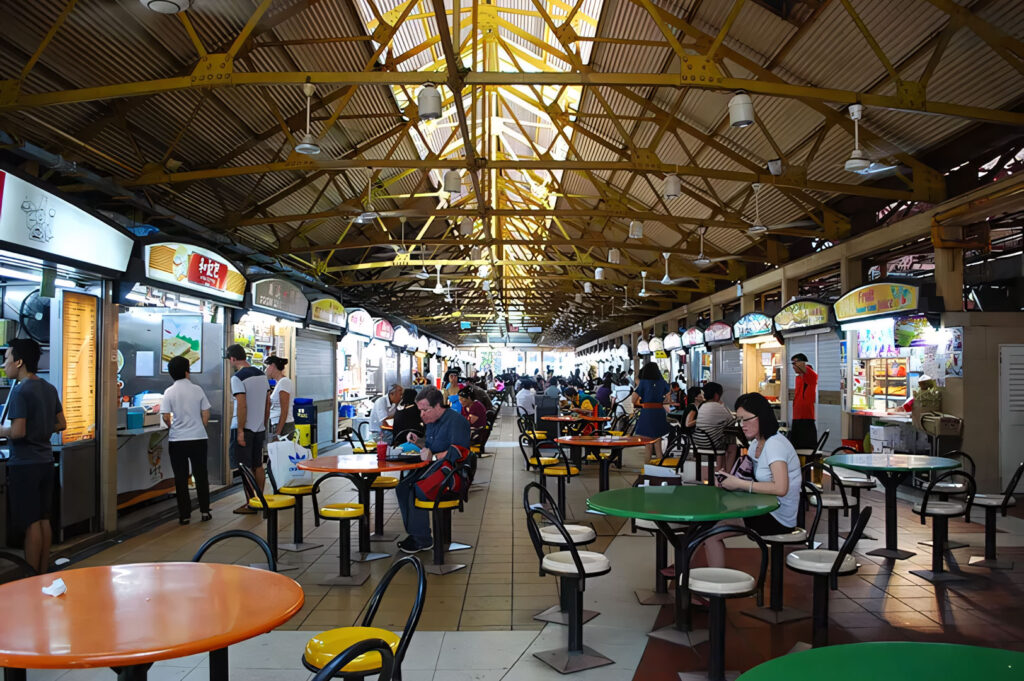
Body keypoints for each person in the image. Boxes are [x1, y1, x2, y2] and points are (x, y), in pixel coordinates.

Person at [705, 392, 802, 567]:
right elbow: (747, 476)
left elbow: (781, 488)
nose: (742, 425)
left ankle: (715, 588)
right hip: (763, 507)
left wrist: (740, 484)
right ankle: (686, 565)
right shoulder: (756, 444)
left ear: (761, 417)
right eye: (739, 420)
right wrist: (730, 480)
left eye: (746, 419)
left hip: (778, 517)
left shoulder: (775, 445)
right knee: (706, 524)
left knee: (711, 533)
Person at [0, 339, 65, 573]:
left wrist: (1, 430)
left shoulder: (20, 391)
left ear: (19, 362)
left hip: (25, 464)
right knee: (44, 518)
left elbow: (18, 431)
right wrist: (43, 428)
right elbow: (61, 423)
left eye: (6, 359)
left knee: (30, 523)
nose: (5, 364)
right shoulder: (48, 388)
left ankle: (30, 575)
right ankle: (42, 571)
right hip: (46, 462)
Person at [396, 386, 471, 553]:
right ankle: (417, 535)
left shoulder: (456, 422)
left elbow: (458, 452)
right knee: (402, 487)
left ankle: (422, 538)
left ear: (438, 406)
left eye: (425, 410)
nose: (422, 415)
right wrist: (419, 442)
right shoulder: (432, 421)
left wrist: (434, 457)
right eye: (420, 410)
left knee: (417, 488)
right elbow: (431, 446)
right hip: (434, 469)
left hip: (452, 474)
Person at [161, 355, 212, 525]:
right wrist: (201, 426)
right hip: (198, 438)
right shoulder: (197, 389)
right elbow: (206, 411)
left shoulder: (169, 392)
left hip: (177, 440)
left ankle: (185, 515)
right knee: (201, 474)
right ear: (187, 371)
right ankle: (205, 511)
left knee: (180, 477)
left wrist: (173, 427)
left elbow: (166, 416)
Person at [225, 343, 270, 514]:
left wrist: (241, 431)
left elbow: (241, 404)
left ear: (233, 359)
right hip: (259, 428)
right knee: (258, 465)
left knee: (244, 467)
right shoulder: (261, 375)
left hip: (244, 428)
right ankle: (260, 499)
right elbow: (267, 403)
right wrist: (264, 423)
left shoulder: (237, 377)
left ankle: (251, 503)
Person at [632, 362, 671, 460]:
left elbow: (633, 399)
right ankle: (659, 466)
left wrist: (642, 403)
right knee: (658, 440)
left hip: (647, 412)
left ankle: (647, 467)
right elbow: (667, 399)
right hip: (659, 412)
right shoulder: (662, 382)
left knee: (648, 443)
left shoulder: (644, 382)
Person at [789, 353, 819, 450]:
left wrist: (799, 362)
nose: (793, 366)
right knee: (795, 447)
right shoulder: (798, 378)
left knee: (807, 447)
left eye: (794, 363)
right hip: (796, 417)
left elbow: (803, 367)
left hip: (806, 418)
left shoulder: (811, 376)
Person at [695, 381, 734, 449]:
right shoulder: (717, 406)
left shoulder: (702, 406)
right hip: (711, 443)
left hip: (699, 440)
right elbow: (731, 420)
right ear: (716, 395)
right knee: (733, 444)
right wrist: (722, 404)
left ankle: (719, 459)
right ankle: (728, 460)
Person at [264, 356, 295, 441]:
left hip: (284, 426)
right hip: (279, 424)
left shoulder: (284, 382)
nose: (266, 370)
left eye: (267, 367)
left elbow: (284, 410)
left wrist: (278, 433)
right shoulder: (279, 383)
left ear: (273, 366)